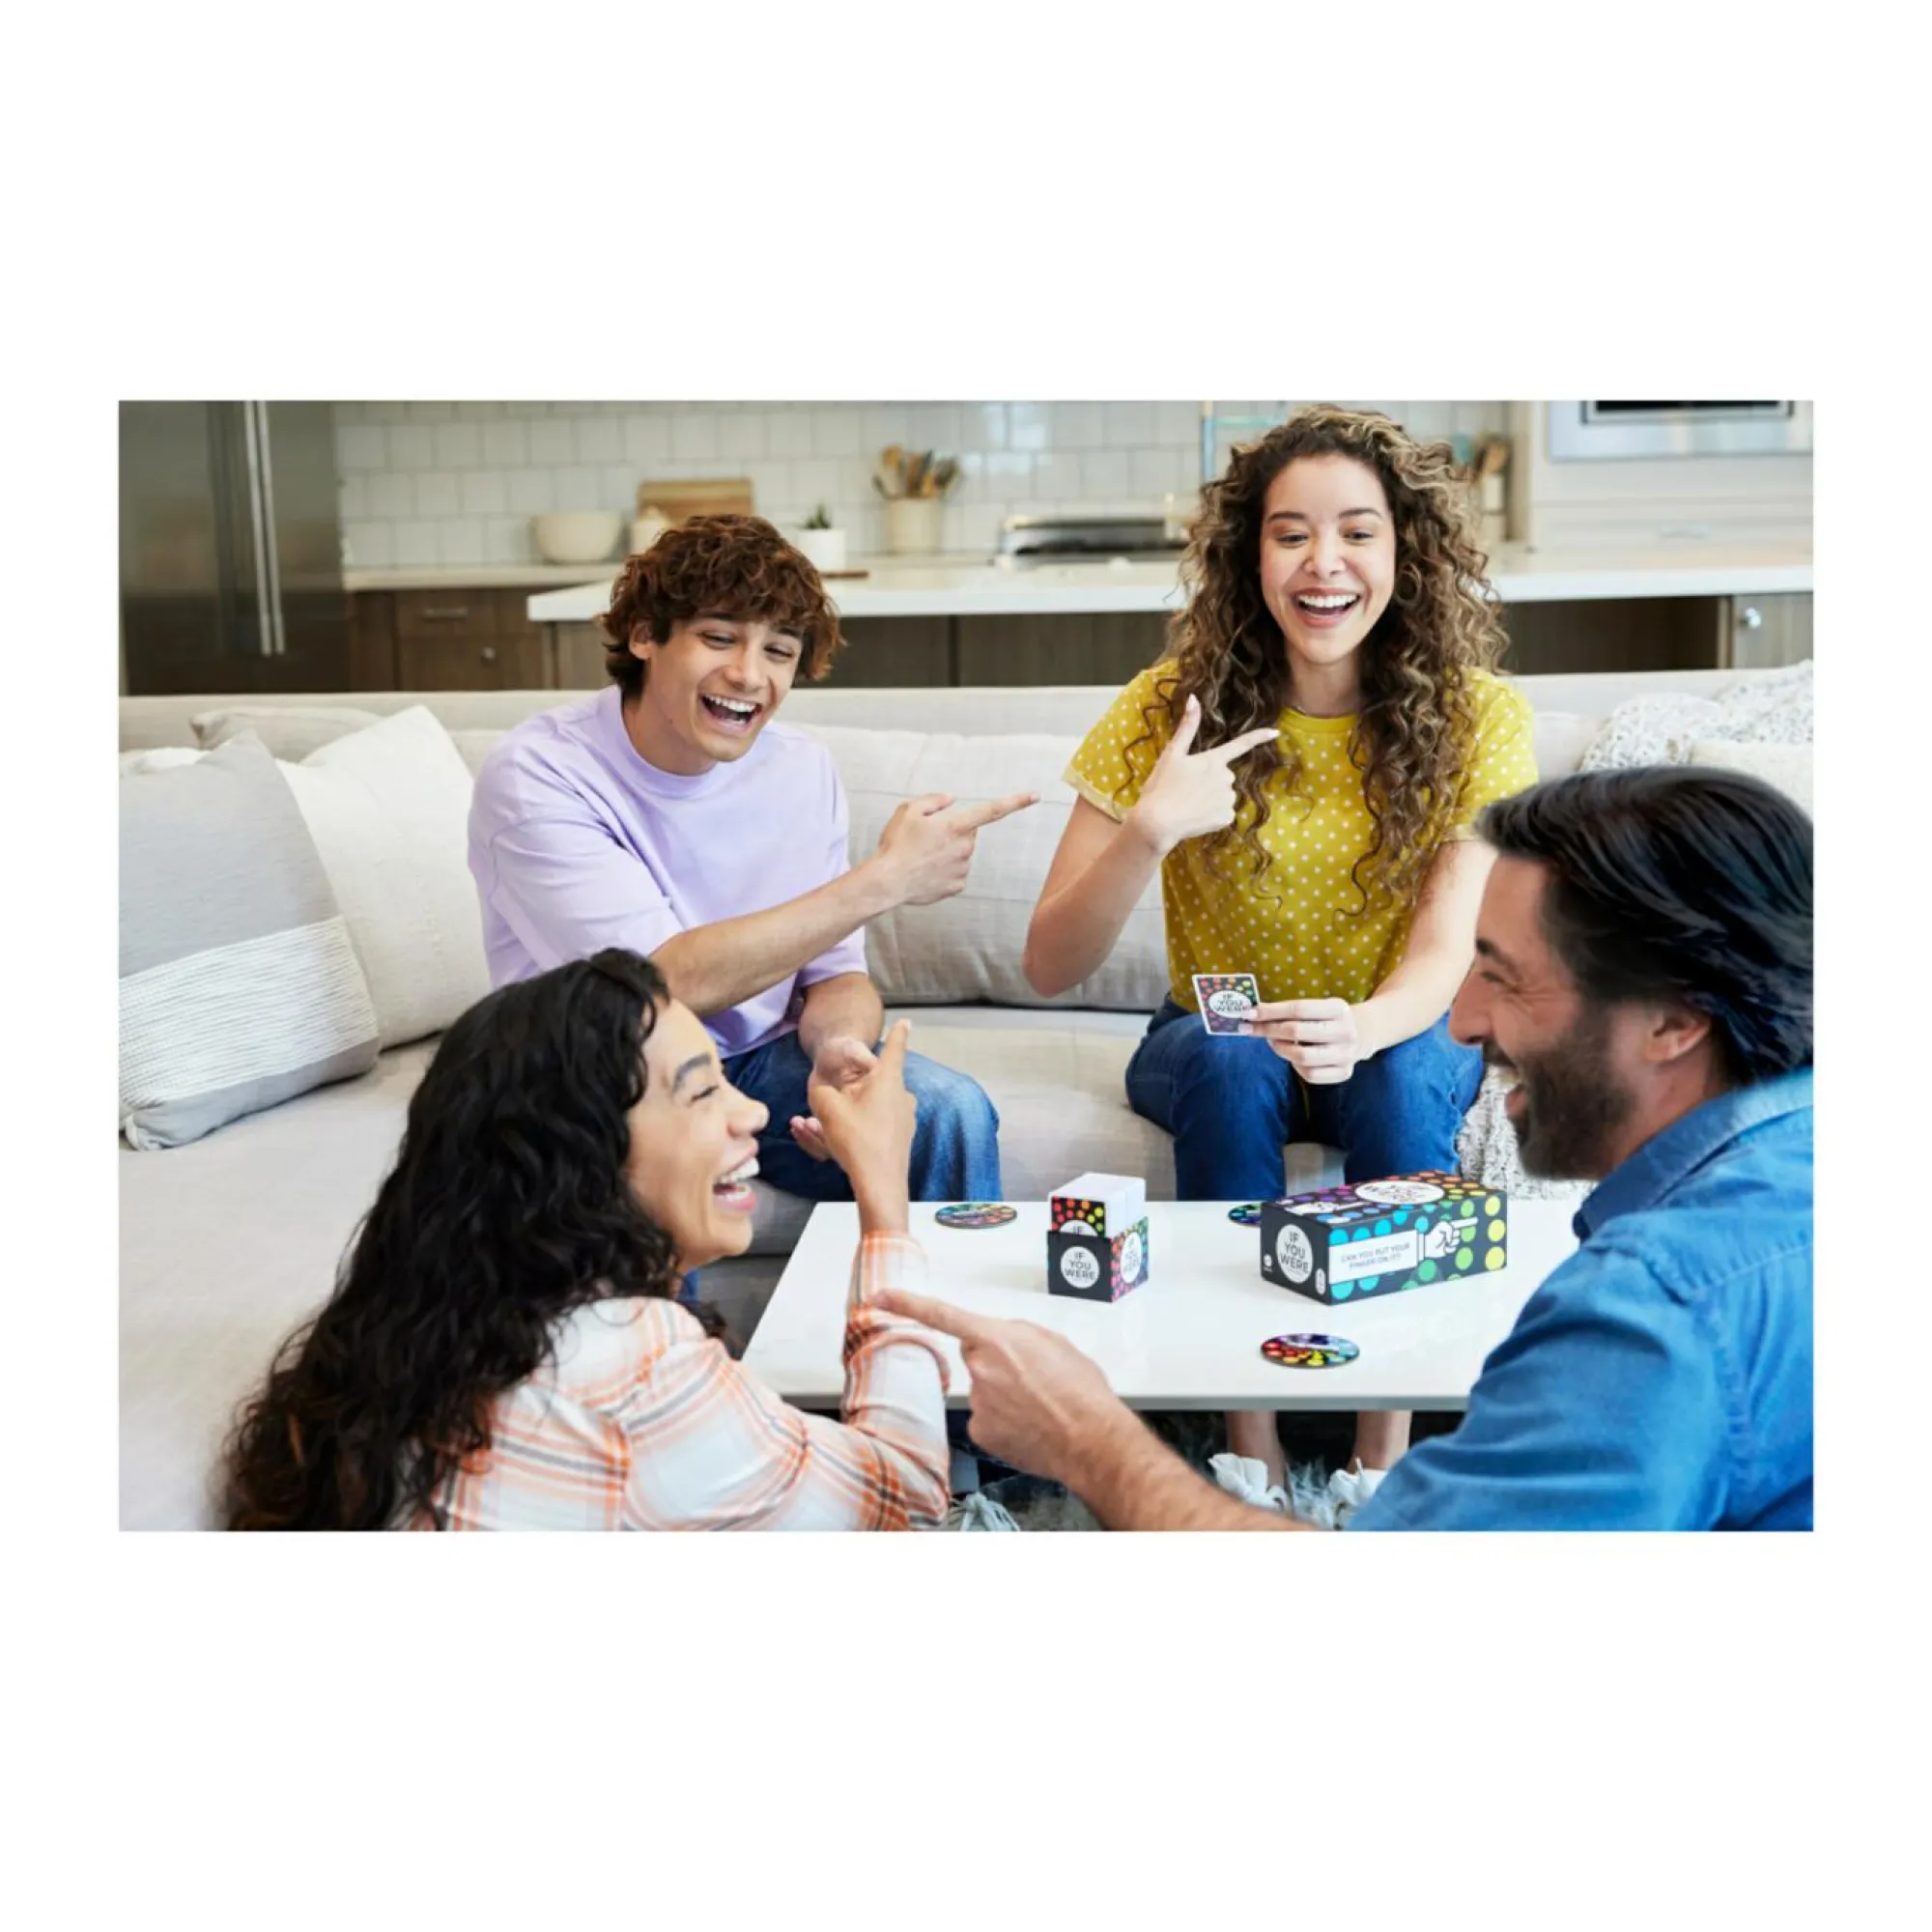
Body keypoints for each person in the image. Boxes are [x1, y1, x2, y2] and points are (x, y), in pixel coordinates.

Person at [887, 766, 1814, 1532]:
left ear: (1676, 1020)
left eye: (1506, 979)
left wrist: (1090, 1441)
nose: (1464, 1021)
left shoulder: (1649, 1311)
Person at [1024, 406, 1539, 1496]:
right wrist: (1147, 830)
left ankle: (1378, 1458)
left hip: (1391, 1027)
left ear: (1405, 552)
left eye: (1356, 531)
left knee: (1403, 1075)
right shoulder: (1167, 708)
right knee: (1228, 1057)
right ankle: (1246, 1448)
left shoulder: (1477, 716)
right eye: (1290, 533)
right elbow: (1048, 964)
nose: (1322, 563)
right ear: (1247, 555)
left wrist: (1360, 1027)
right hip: (1213, 1039)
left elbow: (1445, 951)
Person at [223, 949, 952, 1530]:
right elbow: (910, 1506)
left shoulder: (401, 1338)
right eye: (702, 1091)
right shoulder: (638, 1367)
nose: (753, 1113)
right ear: (583, 1161)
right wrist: (883, 1198)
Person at [468, 513, 1036, 1209]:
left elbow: (836, 975)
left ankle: (918, 1285)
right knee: (660, 1159)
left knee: (949, 1112)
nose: (748, 675)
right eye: (718, 638)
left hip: (758, 1062)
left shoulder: (801, 769)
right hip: (598, 1073)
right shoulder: (540, 774)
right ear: (644, 635)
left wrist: (835, 1053)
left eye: (779, 651)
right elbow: (655, 985)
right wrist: (885, 880)